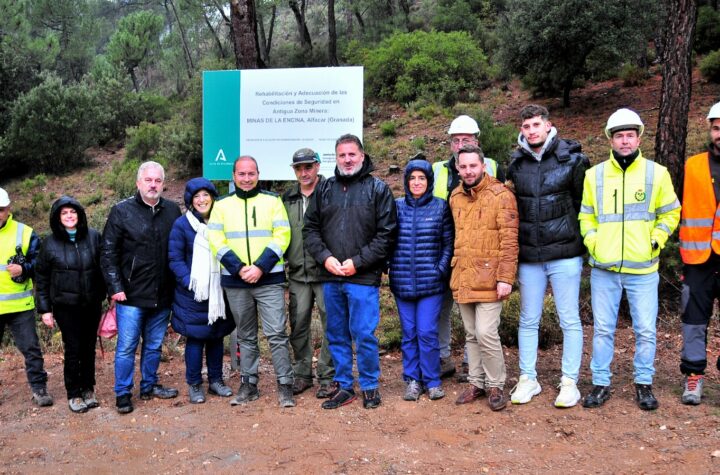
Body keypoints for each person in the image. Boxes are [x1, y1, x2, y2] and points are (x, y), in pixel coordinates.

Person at [579, 108, 680, 411]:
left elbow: (671, 212)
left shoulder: (656, 173)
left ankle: (644, 383)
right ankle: (600, 383)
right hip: (604, 267)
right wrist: (594, 243)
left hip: (643, 268)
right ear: (611, 140)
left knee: (646, 330)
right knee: (603, 329)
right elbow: (586, 216)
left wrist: (656, 239)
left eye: (630, 135)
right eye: (619, 135)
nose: (625, 141)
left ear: (638, 138)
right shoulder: (594, 175)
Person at [303, 134, 397, 410]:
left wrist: (358, 261)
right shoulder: (324, 189)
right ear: (336, 157)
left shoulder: (378, 189)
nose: (347, 159)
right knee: (336, 334)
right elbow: (310, 229)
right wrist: (325, 257)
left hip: (363, 277)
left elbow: (387, 235)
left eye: (351, 154)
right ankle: (344, 386)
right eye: (342, 155)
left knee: (364, 333)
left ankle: (369, 385)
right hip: (331, 275)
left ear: (362, 155)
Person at [505, 104, 589, 408]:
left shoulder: (573, 159)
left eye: (536, 125)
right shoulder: (515, 165)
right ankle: (528, 378)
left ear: (548, 125)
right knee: (528, 320)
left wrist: (583, 243)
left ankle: (569, 381)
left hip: (565, 252)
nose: (531, 131)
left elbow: (584, 204)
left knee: (569, 319)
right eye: (526, 127)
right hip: (529, 256)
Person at [208, 156, 295, 408]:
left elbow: (282, 235)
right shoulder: (222, 205)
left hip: (268, 279)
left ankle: (285, 384)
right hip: (236, 282)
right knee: (245, 336)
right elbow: (216, 239)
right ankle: (249, 384)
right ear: (233, 176)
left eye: (251, 173)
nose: (246, 178)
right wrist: (238, 269)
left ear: (258, 174)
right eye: (241, 174)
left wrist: (260, 267)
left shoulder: (273, 201)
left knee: (276, 333)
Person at [101, 161, 182, 414]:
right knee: (126, 347)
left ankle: (149, 385)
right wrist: (115, 286)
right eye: (148, 180)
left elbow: (178, 249)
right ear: (138, 183)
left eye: (157, 180)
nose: (153, 185)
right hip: (130, 295)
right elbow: (107, 253)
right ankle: (123, 393)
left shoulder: (172, 210)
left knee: (154, 345)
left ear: (163, 184)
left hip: (162, 294)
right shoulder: (121, 211)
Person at [433, 114, 506, 380]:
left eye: (466, 139)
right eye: (456, 140)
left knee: (475, 313)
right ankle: (443, 358)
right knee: (442, 308)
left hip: (479, 252)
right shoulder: (437, 170)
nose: (460, 144)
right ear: (450, 143)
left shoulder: (494, 167)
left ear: (476, 141)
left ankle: (469, 363)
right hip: (445, 250)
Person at [451, 145, 518, 412]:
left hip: (491, 277)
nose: (468, 171)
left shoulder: (501, 195)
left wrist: (506, 277)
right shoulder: (455, 196)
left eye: (473, 166)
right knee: (470, 334)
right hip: (464, 274)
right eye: (463, 166)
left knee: (486, 332)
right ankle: (476, 382)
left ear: (484, 166)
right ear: (458, 168)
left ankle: (495, 385)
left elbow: (510, 241)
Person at [389, 158, 453, 401]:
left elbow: (448, 243)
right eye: (412, 178)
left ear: (429, 181)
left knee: (427, 332)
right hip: (402, 281)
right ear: (406, 181)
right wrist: (389, 266)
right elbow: (388, 240)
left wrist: (440, 269)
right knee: (409, 333)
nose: (417, 182)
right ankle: (412, 380)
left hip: (431, 283)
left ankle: (432, 381)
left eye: (422, 178)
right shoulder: (396, 207)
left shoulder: (440, 207)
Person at [35, 196, 105, 413]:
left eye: (72, 212)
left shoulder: (93, 237)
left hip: (91, 303)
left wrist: (110, 293)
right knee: (74, 349)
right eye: (64, 213)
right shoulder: (49, 243)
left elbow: (104, 267)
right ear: (57, 217)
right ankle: (73, 393)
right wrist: (45, 309)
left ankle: (88, 389)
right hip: (66, 306)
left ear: (80, 215)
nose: (69, 216)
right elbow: (42, 277)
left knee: (88, 348)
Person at [169, 178, 236, 404]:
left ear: (212, 197)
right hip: (193, 293)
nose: (201, 200)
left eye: (205, 195)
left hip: (219, 291)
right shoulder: (182, 225)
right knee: (196, 339)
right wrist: (192, 282)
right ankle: (195, 384)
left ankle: (216, 380)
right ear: (190, 200)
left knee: (216, 336)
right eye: (196, 196)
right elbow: (175, 258)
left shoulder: (221, 221)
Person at [282, 148, 335, 398]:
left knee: (331, 325)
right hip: (297, 274)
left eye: (308, 167)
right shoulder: (288, 197)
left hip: (326, 273)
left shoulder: (330, 192)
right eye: (299, 168)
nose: (304, 172)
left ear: (317, 166)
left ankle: (328, 376)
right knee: (299, 325)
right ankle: (302, 374)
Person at [677, 101, 720, 405]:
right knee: (693, 320)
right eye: (717, 128)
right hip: (697, 259)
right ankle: (694, 376)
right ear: (710, 129)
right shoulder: (692, 165)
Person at [0, 187, 52, 407]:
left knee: (31, 348)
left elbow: (41, 265)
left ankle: (39, 389)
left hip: (19, 306)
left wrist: (24, 270)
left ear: (9, 208)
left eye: (0, 209)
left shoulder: (25, 232)